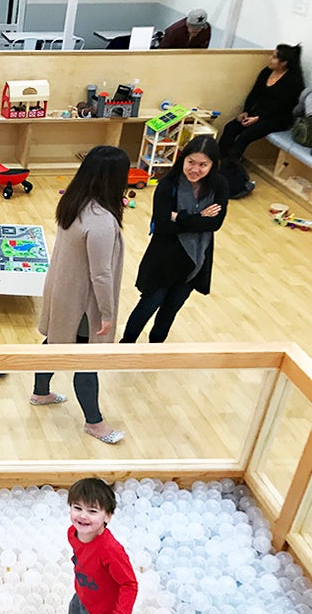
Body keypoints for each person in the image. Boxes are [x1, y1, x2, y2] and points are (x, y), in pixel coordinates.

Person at [30, 145, 128, 445]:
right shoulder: (101, 221)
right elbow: (101, 274)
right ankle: (94, 423)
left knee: (55, 342)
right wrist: (108, 313)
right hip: (84, 303)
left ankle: (40, 392)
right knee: (87, 359)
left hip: (62, 290)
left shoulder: (73, 203)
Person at [120, 136, 227, 344]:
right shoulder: (168, 184)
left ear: (213, 165)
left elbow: (215, 224)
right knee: (149, 304)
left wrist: (179, 216)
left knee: (171, 309)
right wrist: (199, 218)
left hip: (195, 261)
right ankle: (126, 344)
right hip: (164, 258)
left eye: (203, 165)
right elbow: (162, 224)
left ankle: (156, 348)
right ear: (183, 159)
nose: (195, 169)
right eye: (191, 162)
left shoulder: (219, 185)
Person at [218, 43, 305, 162]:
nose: (270, 59)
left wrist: (258, 118)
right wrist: (246, 111)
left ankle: (230, 165)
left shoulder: (293, 81)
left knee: (246, 135)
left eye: (274, 57)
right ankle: (219, 158)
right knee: (231, 127)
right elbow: (254, 93)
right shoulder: (266, 72)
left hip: (278, 117)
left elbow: (281, 106)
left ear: (284, 63)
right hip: (259, 112)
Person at [67, 478, 138, 614]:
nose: (82, 515)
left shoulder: (109, 550)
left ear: (107, 516)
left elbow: (129, 584)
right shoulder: (72, 533)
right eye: (77, 508)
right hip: (82, 596)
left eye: (92, 511)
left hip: (102, 609)